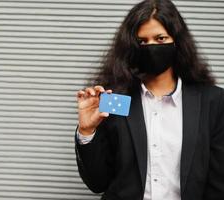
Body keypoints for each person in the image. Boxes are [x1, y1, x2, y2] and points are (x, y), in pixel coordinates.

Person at [75, 0, 224, 200]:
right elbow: (97, 182)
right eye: (142, 41)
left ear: (177, 41)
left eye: (160, 38)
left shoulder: (211, 101)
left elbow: (218, 185)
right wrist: (87, 131)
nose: (151, 47)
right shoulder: (115, 99)